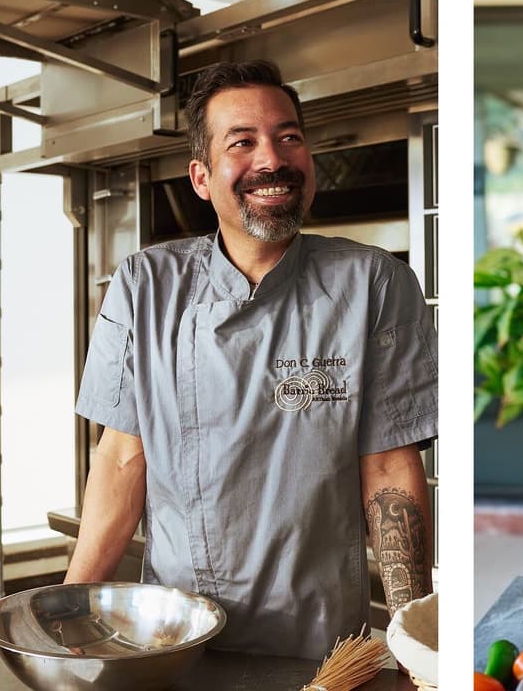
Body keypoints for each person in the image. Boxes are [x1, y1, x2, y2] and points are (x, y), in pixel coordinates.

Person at [65, 60, 437, 659]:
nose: (273, 159)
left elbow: (391, 470)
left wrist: (416, 641)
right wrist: (67, 618)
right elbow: (121, 460)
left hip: (318, 647)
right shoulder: (143, 286)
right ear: (201, 177)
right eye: (243, 142)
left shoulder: (375, 284)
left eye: (289, 137)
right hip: (171, 641)